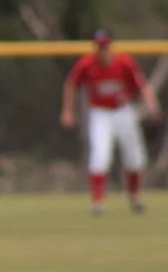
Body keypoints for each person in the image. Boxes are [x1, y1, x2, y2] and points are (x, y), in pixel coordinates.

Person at [60, 29, 163, 215]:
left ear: (111, 46)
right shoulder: (87, 64)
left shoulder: (125, 63)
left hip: (124, 111)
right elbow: (71, 85)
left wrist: (152, 106)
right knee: (99, 156)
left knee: (135, 157)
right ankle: (98, 202)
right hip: (100, 113)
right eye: (99, 46)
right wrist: (67, 111)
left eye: (105, 46)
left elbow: (143, 86)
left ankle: (134, 196)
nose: (102, 50)